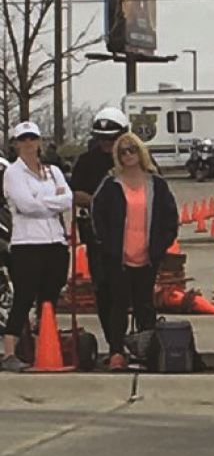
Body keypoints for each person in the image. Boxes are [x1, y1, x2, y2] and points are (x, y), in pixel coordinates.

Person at [87, 133, 177, 367]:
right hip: (118, 257)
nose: (128, 155)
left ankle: (146, 350)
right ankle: (117, 351)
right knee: (118, 304)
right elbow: (98, 216)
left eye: (132, 150)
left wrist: (160, 245)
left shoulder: (156, 183)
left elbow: (170, 218)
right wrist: (108, 246)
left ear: (140, 152)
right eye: (123, 151)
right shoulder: (110, 184)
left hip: (147, 256)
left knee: (145, 304)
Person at [2, 122, 72, 370]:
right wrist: (51, 202)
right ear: (16, 144)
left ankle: (44, 345)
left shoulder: (53, 171)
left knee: (50, 296)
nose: (29, 144)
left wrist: (42, 202)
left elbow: (68, 200)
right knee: (24, 297)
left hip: (54, 241)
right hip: (27, 244)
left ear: (40, 141)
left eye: (33, 138)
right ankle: (9, 351)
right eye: (24, 140)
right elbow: (25, 205)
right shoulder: (13, 173)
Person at [69, 108, 125, 349]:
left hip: (131, 235)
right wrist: (99, 202)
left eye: (111, 138)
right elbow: (75, 193)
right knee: (104, 290)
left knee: (133, 292)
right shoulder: (86, 161)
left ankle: (140, 344)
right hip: (98, 236)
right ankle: (114, 344)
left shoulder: (135, 157)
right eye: (102, 138)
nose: (106, 144)